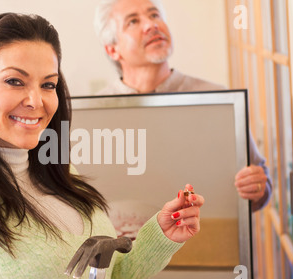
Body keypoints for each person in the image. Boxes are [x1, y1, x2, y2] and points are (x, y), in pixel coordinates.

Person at [0, 13, 203, 279]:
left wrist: (162, 234)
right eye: (15, 81)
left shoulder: (62, 173)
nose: (35, 101)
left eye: (48, 85)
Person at [94, 0, 272, 211]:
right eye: (133, 21)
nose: (152, 25)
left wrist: (257, 187)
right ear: (112, 49)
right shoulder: (95, 115)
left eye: (155, 15)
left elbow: (261, 183)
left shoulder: (218, 100)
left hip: (210, 238)